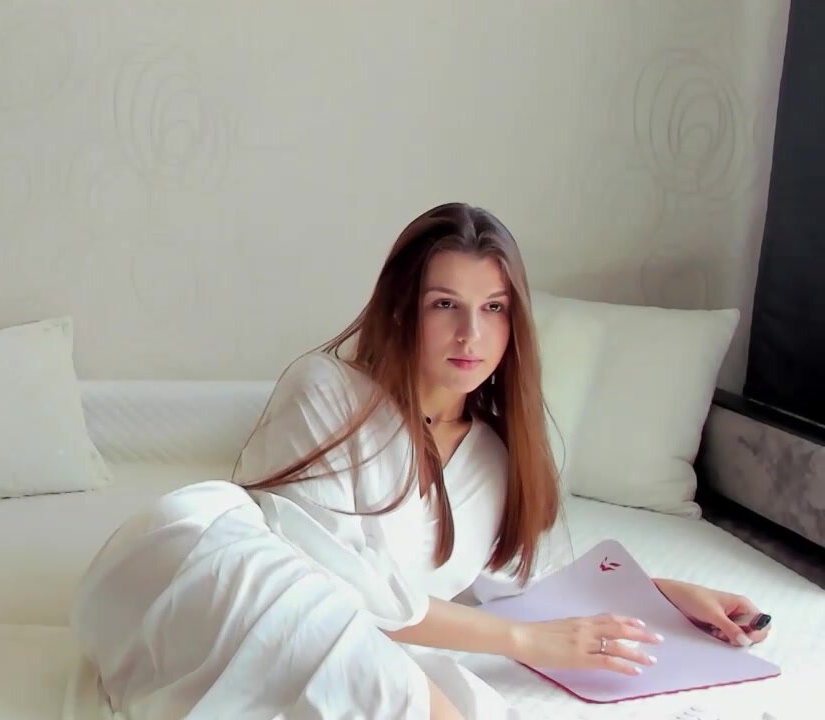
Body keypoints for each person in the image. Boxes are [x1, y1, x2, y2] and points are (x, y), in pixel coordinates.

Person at [66, 203, 770, 720]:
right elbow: (332, 578)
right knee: (358, 652)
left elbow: (527, 589)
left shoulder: (498, 458)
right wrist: (522, 640)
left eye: (493, 308)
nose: (471, 334)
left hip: (349, 640)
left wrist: (664, 597)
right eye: (445, 305)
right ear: (404, 310)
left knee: (400, 680)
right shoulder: (327, 389)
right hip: (221, 576)